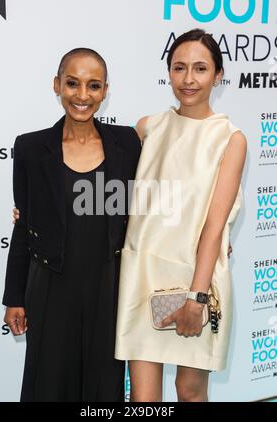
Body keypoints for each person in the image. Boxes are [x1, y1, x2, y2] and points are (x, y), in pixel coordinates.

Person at [115, 29, 247, 402]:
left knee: (189, 392)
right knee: (143, 399)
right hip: (142, 275)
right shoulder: (147, 128)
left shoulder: (230, 138)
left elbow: (214, 225)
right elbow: (107, 189)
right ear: (168, 72)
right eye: (179, 68)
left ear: (218, 75)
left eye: (201, 68)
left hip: (196, 277)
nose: (188, 79)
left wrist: (197, 297)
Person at [2, 48, 141, 402]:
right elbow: (24, 225)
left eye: (93, 86)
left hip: (108, 287)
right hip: (50, 286)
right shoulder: (31, 148)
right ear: (57, 85)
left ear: (105, 90)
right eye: (72, 83)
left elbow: (152, 202)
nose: (82, 96)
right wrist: (14, 297)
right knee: (47, 386)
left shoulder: (127, 143)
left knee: (103, 388)